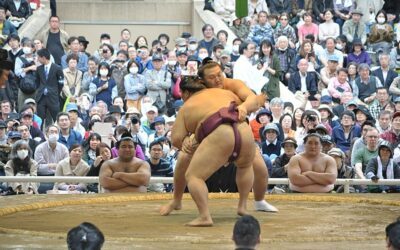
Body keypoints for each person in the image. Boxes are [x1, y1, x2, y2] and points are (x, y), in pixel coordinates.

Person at [160, 62, 277, 217]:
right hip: (207, 132)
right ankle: (177, 199)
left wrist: (244, 107)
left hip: (237, 126)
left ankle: (258, 200)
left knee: (260, 168)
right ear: (202, 81)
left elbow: (255, 100)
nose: (218, 80)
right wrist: (186, 140)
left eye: (219, 74)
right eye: (212, 77)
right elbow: (179, 138)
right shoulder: (202, 91)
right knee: (183, 158)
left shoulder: (232, 85)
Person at [171, 76, 256, 226]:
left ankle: (205, 216)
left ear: (184, 93)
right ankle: (242, 206)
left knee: (194, 176)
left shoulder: (187, 106)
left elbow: (176, 139)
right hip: (244, 130)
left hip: (221, 133)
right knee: (245, 166)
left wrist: (186, 142)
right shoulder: (224, 93)